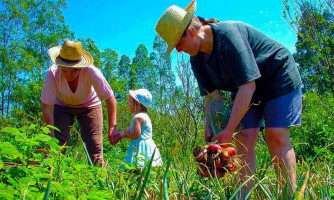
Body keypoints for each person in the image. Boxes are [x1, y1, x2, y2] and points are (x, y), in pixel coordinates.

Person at [155, 0, 302, 196]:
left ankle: (288, 195)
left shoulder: (227, 35)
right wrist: (212, 129)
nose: (178, 51)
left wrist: (228, 129)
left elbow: (248, 85)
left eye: (178, 44)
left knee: (275, 135)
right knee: (243, 141)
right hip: (246, 88)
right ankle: (243, 195)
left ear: (190, 30)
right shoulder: (197, 60)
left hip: (277, 76)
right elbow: (212, 98)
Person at [41, 40, 117, 167]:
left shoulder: (92, 72)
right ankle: (55, 178)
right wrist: (50, 140)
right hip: (62, 106)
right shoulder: (52, 74)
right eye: (65, 71)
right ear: (59, 65)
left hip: (90, 105)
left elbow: (109, 98)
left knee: (94, 148)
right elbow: (47, 109)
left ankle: (99, 181)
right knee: (57, 145)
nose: (68, 75)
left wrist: (112, 127)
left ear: (80, 67)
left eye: (73, 71)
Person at [111, 89, 163, 169]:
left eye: (130, 101)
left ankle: (138, 180)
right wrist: (119, 136)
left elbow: (136, 134)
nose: (128, 103)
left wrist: (126, 136)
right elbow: (128, 130)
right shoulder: (144, 116)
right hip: (147, 146)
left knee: (137, 166)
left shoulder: (138, 118)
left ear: (137, 104)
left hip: (139, 147)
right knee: (145, 167)